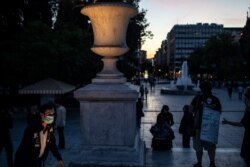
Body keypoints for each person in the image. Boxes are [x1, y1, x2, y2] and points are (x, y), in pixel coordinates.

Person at [14, 102, 63, 167]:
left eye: (53, 114)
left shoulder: (49, 128)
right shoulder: (34, 129)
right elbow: (35, 149)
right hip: (24, 161)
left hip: (37, 160)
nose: (51, 116)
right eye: (48, 114)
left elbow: (52, 144)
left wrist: (59, 158)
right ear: (42, 115)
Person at [190, 81, 222, 167]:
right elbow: (219, 112)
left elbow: (190, 110)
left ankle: (199, 163)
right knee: (211, 146)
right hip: (210, 128)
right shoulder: (215, 99)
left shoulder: (197, 98)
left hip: (198, 127)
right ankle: (212, 163)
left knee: (198, 147)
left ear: (201, 89)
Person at [222, 86, 250, 166]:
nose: (244, 100)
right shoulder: (247, 110)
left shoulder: (248, 112)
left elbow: (241, 124)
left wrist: (228, 122)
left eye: (246, 97)